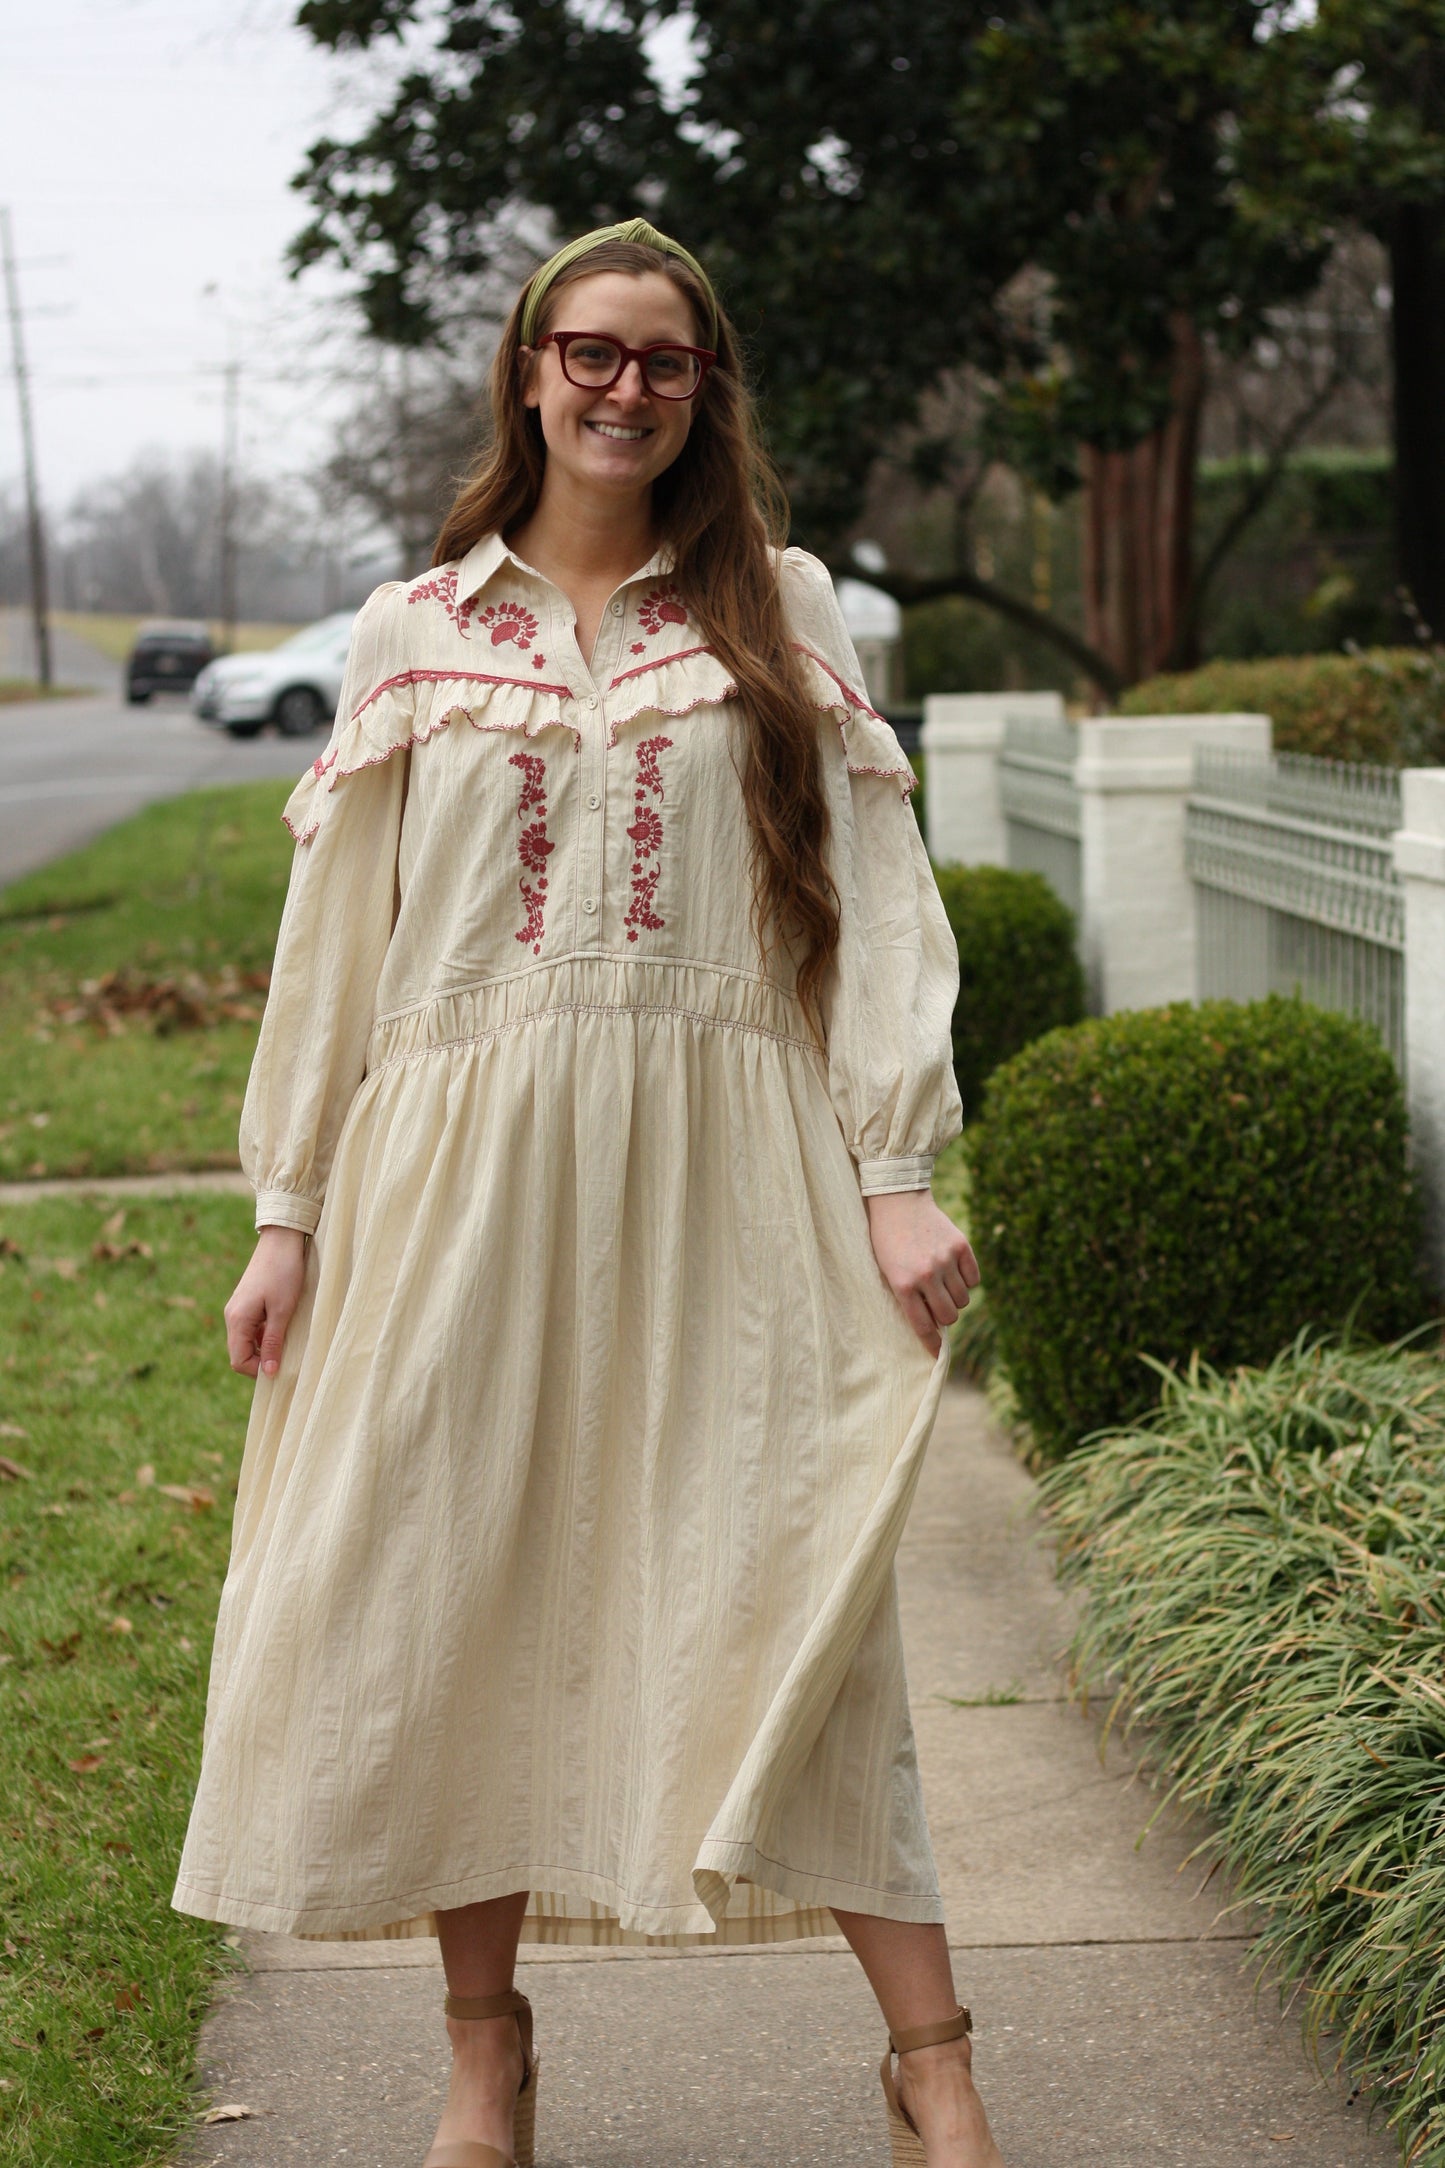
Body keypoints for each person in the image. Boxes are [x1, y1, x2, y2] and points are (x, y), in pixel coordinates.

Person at [171, 217, 1006, 2168]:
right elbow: (337, 947)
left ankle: (938, 2059)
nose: (624, 386)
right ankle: (486, 2055)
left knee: (796, 1590)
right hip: (448, 1180)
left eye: (665, 358)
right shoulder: (410, 630)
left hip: (728, 1176)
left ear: (704, 391)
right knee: (446, 1593)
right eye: (591, 351)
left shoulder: (781, 610)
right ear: (530, 372)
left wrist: (894, 1170)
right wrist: (286, 1206)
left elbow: (873, 914)